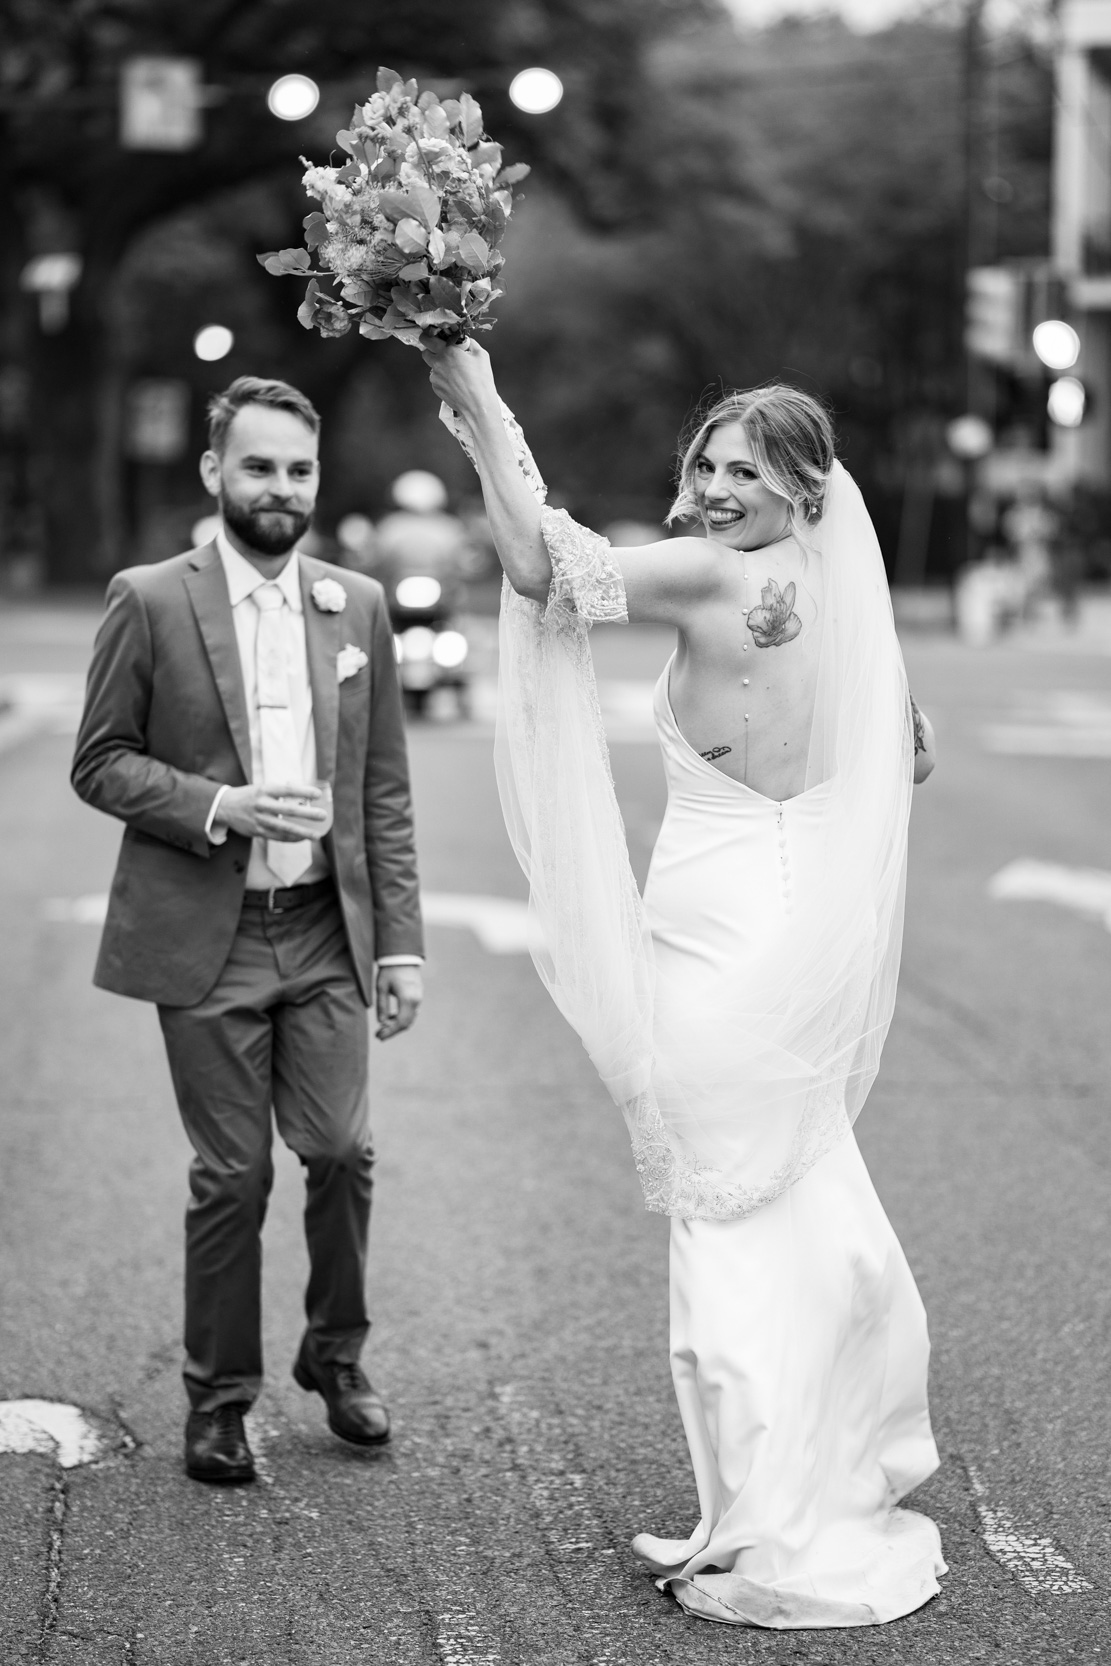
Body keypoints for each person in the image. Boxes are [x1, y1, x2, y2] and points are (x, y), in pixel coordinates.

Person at [424, 339, 943, 1629]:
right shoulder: (845, 608)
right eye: (706, 462)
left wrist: (478, 397)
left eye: (747, 472)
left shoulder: (714, 576)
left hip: (717, 949)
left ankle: (770, 1523)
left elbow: (542, 565)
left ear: (801, 494)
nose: (714, 489)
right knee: (797, 1201)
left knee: (722, 1226)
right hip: (786, 937)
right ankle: (814, 1479)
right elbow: (909, 758)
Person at [72, 376, 424, 1485]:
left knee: (340, 1149)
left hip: (324, 929)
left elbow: (384, 790)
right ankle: (219, 1397)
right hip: (209, 935)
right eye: (260, 466)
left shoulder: (355, 603)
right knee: (232, 1176)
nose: (281, 488)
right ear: (215, 472)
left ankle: (336, 1356)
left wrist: (400, 941)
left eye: (300, 469)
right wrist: (219, 807)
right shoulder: (150, 597)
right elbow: (100, 761)